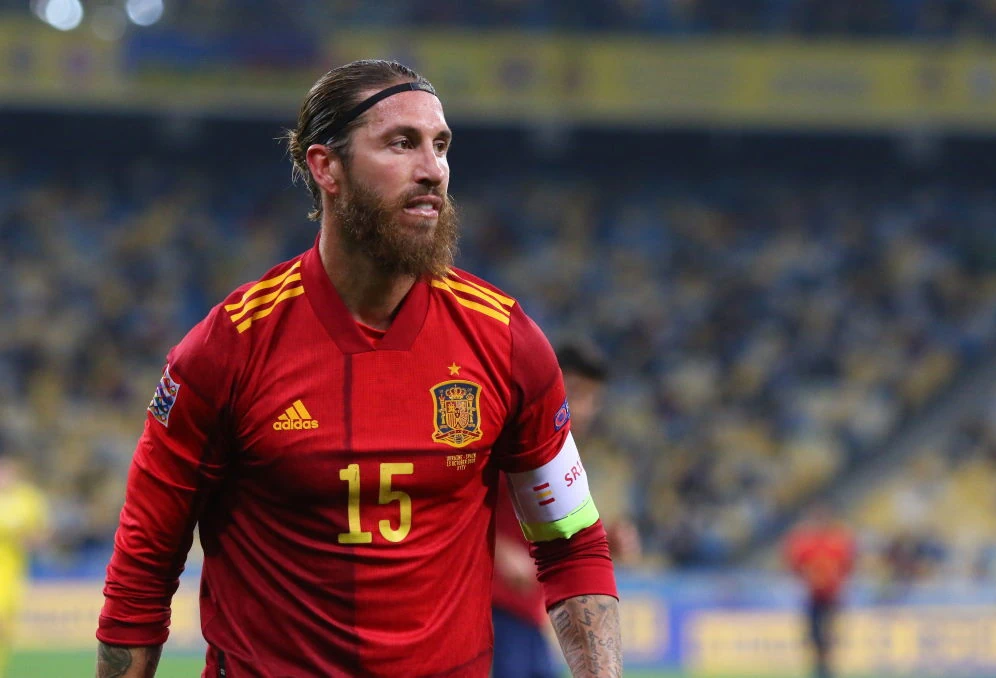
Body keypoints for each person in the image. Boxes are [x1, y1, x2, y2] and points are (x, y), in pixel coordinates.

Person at [95, 59, 621, 678]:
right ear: (327, 168)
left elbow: (571, 542)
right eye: (401, 143)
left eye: (440, 146)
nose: (432, 169)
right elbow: (143, 571)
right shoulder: (226, 350)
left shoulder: (506, 341)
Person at [492, 341, 640, 678]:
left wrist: (606, 542)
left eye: (592, 399)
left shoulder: (559, 460)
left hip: (527, 616)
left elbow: (558, 535)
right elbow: (450, 510)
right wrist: (499, 551)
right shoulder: (505, 445)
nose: (583, 409)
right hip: (488, 613)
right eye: (575, 392)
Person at [784, 503, 855, 678]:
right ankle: (819, 666)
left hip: (831, 595)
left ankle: (826, 667)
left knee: (828, 633)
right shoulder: (804, 542)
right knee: (813, 633)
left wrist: (837, 582)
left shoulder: (838, 541)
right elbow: (794, 564)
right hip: (812, 595)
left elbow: (847, 565)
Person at [0, 451, 50, 678]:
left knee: (4, 628)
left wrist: (24, 538)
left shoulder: (28, 499)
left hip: (11, 574)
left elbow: (40, 537)